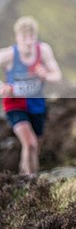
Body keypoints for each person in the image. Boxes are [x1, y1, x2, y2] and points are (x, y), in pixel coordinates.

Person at [0, 16, 62, 176]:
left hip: (37, 104)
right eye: (24, 37)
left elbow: (57, 76)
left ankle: (24, 177)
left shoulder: (44, 51)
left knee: (34, 146)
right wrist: (2, 87)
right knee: (30, 143)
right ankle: (31, 184)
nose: (28, 42)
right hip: (15, 104)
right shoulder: (9, 54)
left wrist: (45, 75)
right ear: (17, 37)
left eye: (32, 37)